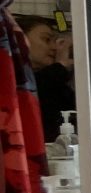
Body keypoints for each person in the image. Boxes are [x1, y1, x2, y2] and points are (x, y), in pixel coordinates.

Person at [17, 14, 73, 142]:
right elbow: (30, 91)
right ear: (20, 40)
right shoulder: (9, 77)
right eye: (46, 40)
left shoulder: (56, 84)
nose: (54, 48)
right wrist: (60, 66)